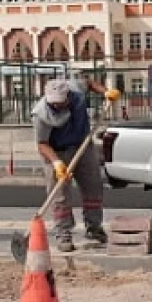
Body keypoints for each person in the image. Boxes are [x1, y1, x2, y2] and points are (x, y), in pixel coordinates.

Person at [32, 75, 120, 252]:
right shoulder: (41, 113)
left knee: (93, 187)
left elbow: (88, 82)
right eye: (53, 103)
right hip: (56, 151)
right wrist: (56, 163)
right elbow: (42, 144)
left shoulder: (75, 90)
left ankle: (94, 229)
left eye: (60, 102)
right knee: (60, 196)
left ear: (67, 97)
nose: (56, 105)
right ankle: (63, 233)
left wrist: (106, 92)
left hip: (82, 145)